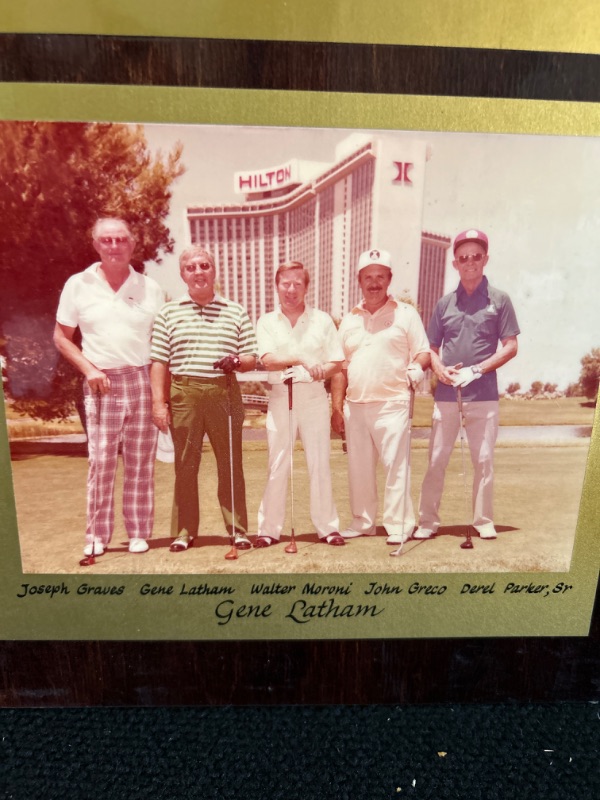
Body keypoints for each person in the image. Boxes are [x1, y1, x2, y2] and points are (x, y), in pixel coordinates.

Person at [54, 217, 164, 557]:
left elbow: (161, 344)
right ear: (96, 245)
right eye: (107, 241)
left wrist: (161, 395)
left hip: (142, 379)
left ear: (132, 245)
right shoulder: (78, 284)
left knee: (140, 462)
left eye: (120, 240)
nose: (114, 246)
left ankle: (138, 533)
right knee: (101, 461)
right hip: (100, 381)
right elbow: (61, 337)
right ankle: (97, 535)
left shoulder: (151, 287)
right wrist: (88, 369)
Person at [150, 245, 258, 552]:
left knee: (230, 463)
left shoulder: (235, 310)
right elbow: (159, 361)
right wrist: (158, 403)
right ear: (182, 274)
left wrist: (236, 361)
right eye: (191, 267)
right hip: (184, 393)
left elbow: (251, 356)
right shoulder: (168, 312)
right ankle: (184, 531)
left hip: (223, 391)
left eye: (204, 266)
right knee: (185, 464)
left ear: (214, 270)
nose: (198, 272)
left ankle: (237, 529)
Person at [415, 228, 520, 541]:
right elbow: (431, 348)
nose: (470, 262)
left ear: (485, 259)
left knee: (483, 459)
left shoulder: (500, 300)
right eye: (463, 258)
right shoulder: (444, 304)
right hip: (447, 395)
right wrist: (441, 370)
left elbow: (511, 346)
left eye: (476, 256)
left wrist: (478, 369)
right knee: (436, 459)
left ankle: (483, 520)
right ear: (454, 263)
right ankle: (427, 522)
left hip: (484, 394)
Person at [331, 248, 430, 546]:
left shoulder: (406, 313)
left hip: (393, 403)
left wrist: (417, 366)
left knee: (395, 467)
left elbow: (423, 351)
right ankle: (362, 522)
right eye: (368, 277)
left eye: (380, 277)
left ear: (389, 279)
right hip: (356, 406)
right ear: (359, 280)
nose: (374, 283)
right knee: (358, 469)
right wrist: (336, 407)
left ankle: (399, 524)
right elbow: (340, 366)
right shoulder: (349, 319)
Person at [255, 261, 345, 548]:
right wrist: (302, 359)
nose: (291, 290)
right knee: (277, 464)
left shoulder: (322, 320)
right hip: (282, 398)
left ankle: (327, 528)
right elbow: (267, 359)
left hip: (314, 398)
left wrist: (320, 370)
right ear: (277, 285)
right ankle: (269, 529)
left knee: (319, 463)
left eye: (297, 284)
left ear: (306, 287)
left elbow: (337, 362)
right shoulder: (267, 321)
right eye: (285, 283)